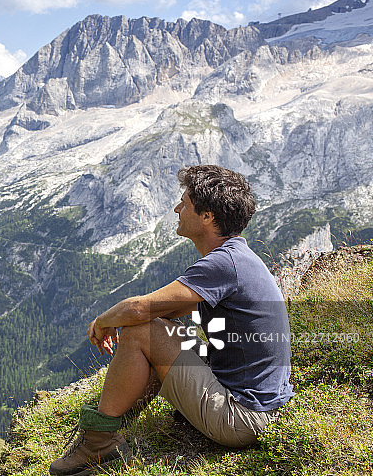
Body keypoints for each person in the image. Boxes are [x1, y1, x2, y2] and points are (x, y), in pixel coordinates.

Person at [49, 165, 294, 476]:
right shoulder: (236, 257)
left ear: (207, 216)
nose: (177, 208)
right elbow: (167, 311)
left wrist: (102, 321)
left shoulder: (224, 263)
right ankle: (113, 426)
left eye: (185, 202)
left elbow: (140, 310)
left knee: (142, 332)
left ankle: (97, 444)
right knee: (159, 330)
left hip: (243, 417)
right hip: (260, 403)